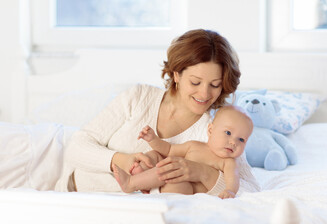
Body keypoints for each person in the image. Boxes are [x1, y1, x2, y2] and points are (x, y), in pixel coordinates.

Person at [55, 29, 260, 194]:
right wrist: (121, 160)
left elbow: (250, 190)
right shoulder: (139, 98)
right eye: (195, 82)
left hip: (143, 222)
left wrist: (202, 173)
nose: (204, 94)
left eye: (215, 85)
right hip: (76, 200)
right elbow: (76, 147)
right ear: (176, 74)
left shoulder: (217, 131)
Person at [113, 105, 253, 199]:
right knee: (156, 156)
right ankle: (143, 178)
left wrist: (230, 191)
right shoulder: (194, 146)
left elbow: (233, 180)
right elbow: (168, 149)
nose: (234, 142)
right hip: (163, 180)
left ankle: (131, 183)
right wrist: (153, 139)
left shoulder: (228, 162)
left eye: (241, 139)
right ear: (210, 130)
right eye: (228, 133)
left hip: (181, 188)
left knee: (177, 180)